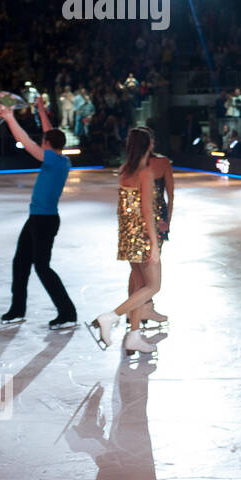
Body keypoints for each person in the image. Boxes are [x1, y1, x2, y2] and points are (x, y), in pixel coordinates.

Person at [0, 97, 78, 330]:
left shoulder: (52, 161)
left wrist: (10, 118)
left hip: (44, 221)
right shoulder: (61, 159)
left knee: (42, 267)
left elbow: (25, 141)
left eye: (43, 141)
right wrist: (41, 110)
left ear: (46, 144)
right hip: (37, 219)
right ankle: (17, 310)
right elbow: (49, 133)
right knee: (20, 263)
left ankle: (67, 313)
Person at [86, 127, 162, 354]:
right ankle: (110, 317)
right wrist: (154, 244)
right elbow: (147, 210)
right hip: (142, 235)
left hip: (128, 234)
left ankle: (134, 336)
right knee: (153, 286)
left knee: (139, 285)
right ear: (149, 145)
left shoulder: (124, 170)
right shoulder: (145, 173)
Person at [130, 144, 173, 328]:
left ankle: (134, 311)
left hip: (134, 222)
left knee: (138, 271)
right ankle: (141, 309)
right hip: (156, 219)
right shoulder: (162, 163)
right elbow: (170, 194)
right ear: (150, 143)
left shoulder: (130, 167)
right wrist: (167, 220)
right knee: (150, 276)